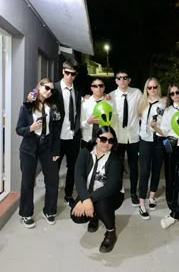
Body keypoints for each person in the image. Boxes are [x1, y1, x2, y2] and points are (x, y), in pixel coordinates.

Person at [16, 78, 61, 228]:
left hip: (47, 146)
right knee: (28, 182)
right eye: (46, 88)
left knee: (53, 180)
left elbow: (55, 131)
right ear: (39, 87)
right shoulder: (27, 107)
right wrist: (31, 128)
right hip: (29, 147)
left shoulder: (53, 107)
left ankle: (49, 211)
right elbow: (19, 129)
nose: (49, 92)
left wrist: (56, 150)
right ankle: (26, 213)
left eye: (51, 90)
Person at [71, 126, 124, 253]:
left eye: (110, 141)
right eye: (103, 139)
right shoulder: (85, 153)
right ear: (96, 139)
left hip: (112, 195)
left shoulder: (115, 159)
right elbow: (78, 177)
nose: (106, 143)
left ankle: (111, 232)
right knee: (76, 215)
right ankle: (94, 215)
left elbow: (111, 187)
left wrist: (88, 200)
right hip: (90, 192)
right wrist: (85, 198)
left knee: (102, 203)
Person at [154, 84, 179, 229]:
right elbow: (163, 131)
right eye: (172, 93)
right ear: (169, 96)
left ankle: (175, 213)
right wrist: (155, 127)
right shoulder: (167, 111)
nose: (175, 95)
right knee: (170, 177)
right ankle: (171, 203)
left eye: (177, 92)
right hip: (170, 145)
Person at [109, 69, 142, 206]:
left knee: (134, 166)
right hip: (118, 137)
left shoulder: (137, 93)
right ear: (116, 80)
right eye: (119, 78)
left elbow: (145, 107)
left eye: (125, 78)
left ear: (129, 80)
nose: (122, 80)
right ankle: (119, 190)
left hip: (133, 136)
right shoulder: (110, 96)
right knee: (118, 165)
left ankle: (134, 192)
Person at [54, 59, 82, 207]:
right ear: (62, 71)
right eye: (67, 73)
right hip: (57, 138)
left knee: (72, 167)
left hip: (73, 137)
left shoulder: (78, 92)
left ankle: (68, 194)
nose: (70, 76)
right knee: (54, 168)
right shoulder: (54, 89)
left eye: (73, 74)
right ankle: (51, 195)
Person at [137, 77, 166, 220]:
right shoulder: (141, 103)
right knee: (144, 171)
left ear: (158, 88)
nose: (152, 90)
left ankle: (152, 196)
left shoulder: (163, 103)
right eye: (149, 87)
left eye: (155, 87)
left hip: (158, 140)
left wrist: (157, 127)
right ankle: (142, 202)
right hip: (145, 140)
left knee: (156, 169)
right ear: (146, 89)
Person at [80, 77, 115, 148]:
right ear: (91, 88)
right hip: (87, 140)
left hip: (104, 141)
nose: (98, 88)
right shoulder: (85, 103)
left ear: (104, 87)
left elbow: (114, 123)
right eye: (95, 86)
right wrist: (88, 122)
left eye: (101, 85)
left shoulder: (110, 103)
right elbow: (80, 125)